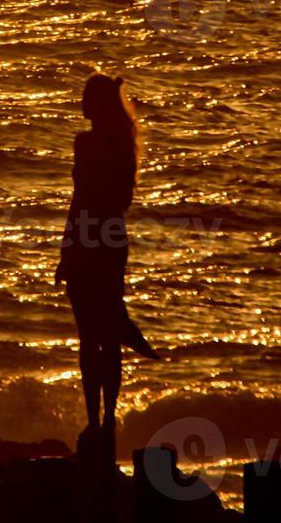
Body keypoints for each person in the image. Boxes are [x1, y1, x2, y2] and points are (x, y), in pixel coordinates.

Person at [55, 72, 159, 446]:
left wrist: (72, 246)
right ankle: (101, 420)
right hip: (102, 240)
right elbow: (97, 201)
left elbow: (89, 199)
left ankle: (101, 420)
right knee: (101, 333)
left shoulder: (101, 145)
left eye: (87, 97)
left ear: (97, 104)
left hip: (95, 241)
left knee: (98, 334)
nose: (81, 103)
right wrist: (70, 248)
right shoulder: (109, 145)